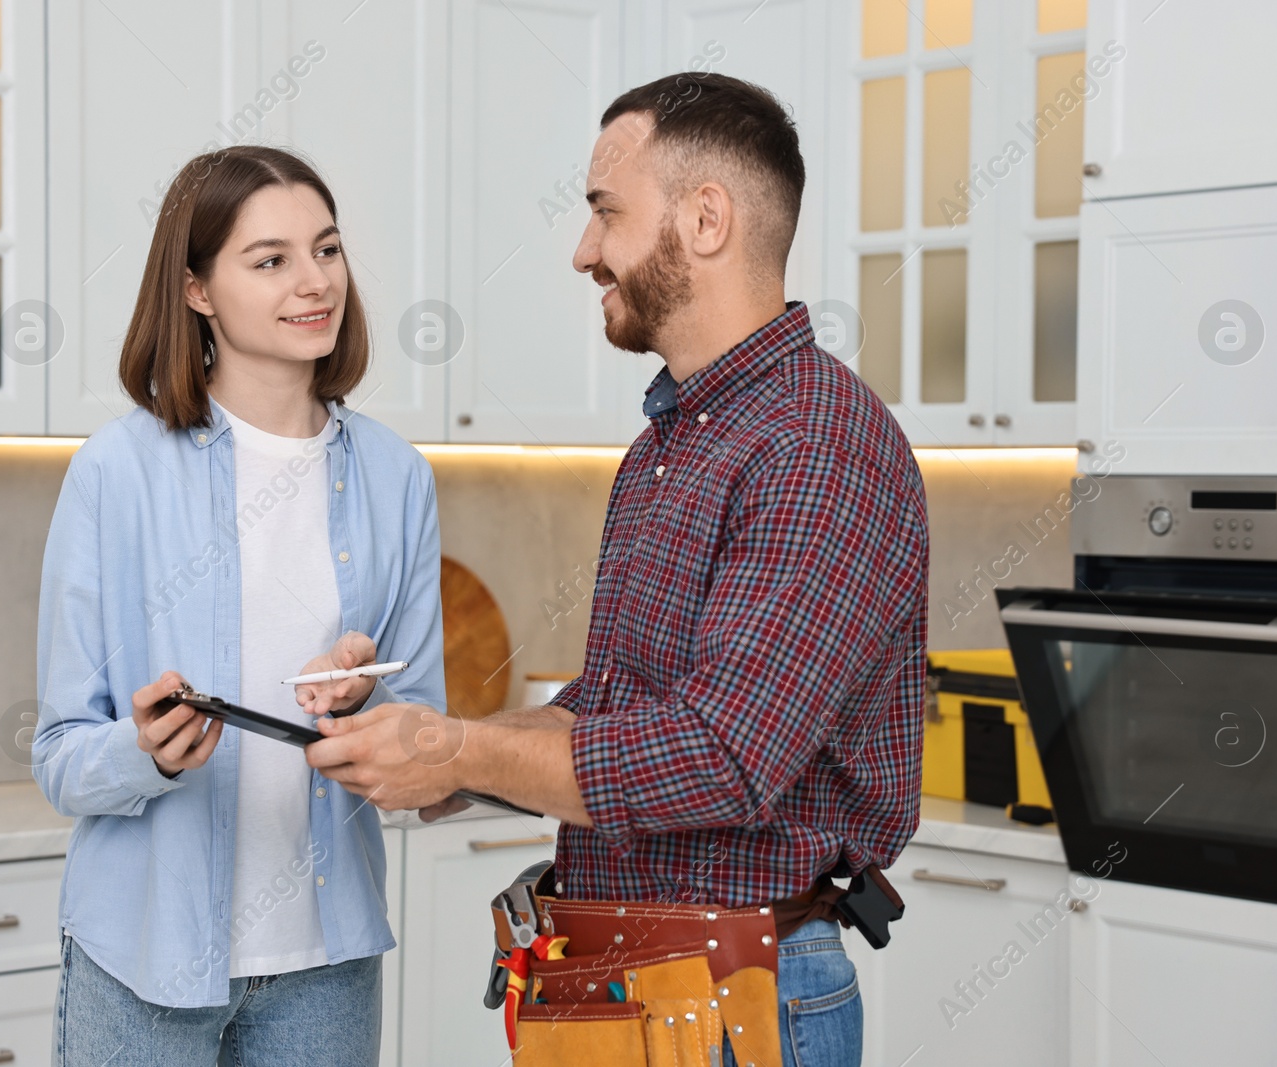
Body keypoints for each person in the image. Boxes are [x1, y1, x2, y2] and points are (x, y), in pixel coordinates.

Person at [305, 73, 929, 1067]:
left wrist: (461, 750)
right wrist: (438, 759)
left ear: (705, 218)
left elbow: (719, 755)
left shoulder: (816, 444)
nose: (583, 249)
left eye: (604, 212)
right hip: (636, 993)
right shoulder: (671, 441)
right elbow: (608, 711)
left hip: (737, 1001)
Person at [33, 145, 444, 1066]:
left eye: (327, 249)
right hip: (141, 960)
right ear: (197, 291)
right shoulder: (117, 472)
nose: (315, 283)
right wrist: (146, 754)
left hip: (326, 965)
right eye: (271, 260)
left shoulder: (397, 476)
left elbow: (432, 742)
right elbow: (60, 753)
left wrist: (371, 712)